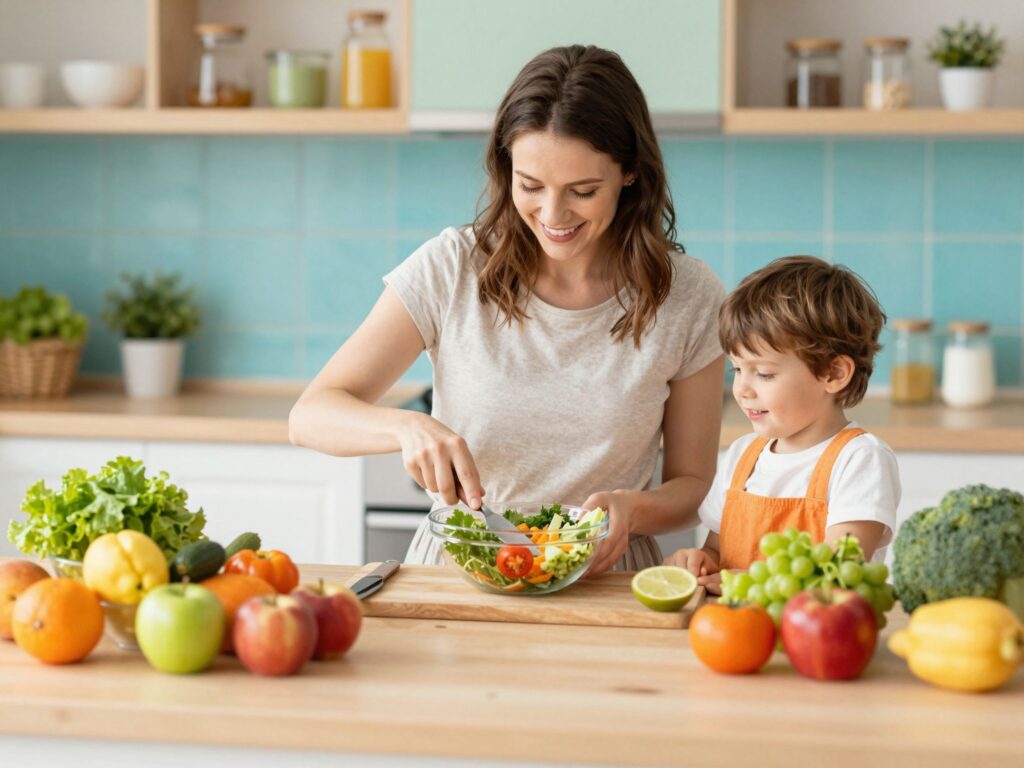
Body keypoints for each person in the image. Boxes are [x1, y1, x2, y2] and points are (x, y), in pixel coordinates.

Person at [288, 45, 726, 574]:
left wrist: (633, 509)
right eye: (530, 185)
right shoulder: (452, 266)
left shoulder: (689, 296)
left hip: (603, 580)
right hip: (458, 575)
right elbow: (310, 415)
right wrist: (408, 428)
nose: (553, 213)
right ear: (506, 167)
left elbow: (691, 483)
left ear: (630, 172)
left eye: (583, 191)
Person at [664, 256, 900, 594]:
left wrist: (747, 584)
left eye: (763, 373)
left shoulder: (859, 460)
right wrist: (700, 560)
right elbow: (719, 551)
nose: (743, 389)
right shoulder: (743, 456)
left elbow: (839, 573)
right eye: (737, 370)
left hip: (815, 640)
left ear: (833, 374)